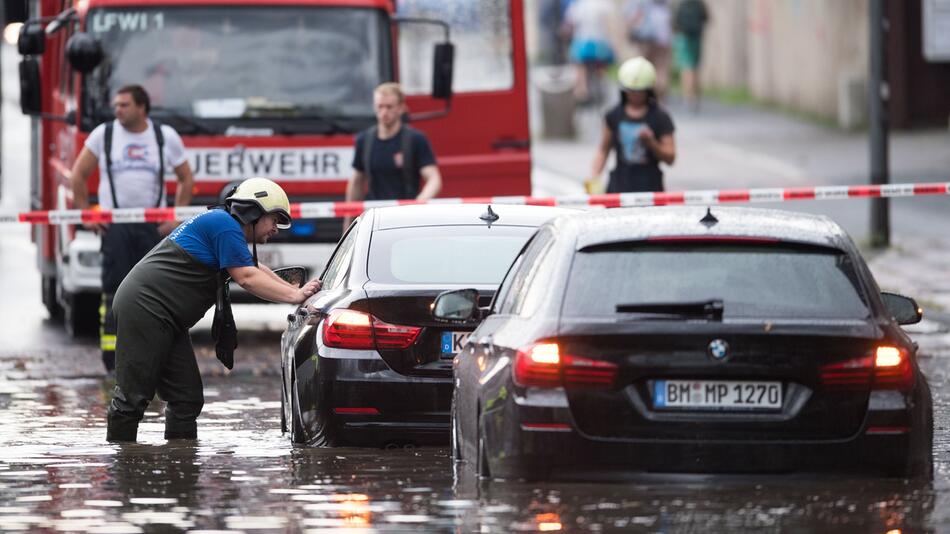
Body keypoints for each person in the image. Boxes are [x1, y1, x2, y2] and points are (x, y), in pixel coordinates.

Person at [105, 177, 321, 442]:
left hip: (165, 317)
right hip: (145, 308)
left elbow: (255, 269)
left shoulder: (224, 225)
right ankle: (120, 467)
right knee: (132, 398)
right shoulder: (223, 225)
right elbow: (247, 278)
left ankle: (179, 471)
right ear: (253, 212)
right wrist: (294, 294)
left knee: (186, 399)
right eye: (274, 220)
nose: (276, 228)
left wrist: (298, 293)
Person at [70, 84, 195, 376]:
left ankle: (154, 356)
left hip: (152, 228)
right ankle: (113, 361)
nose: (118, 110)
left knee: (156, 293)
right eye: (116, 105)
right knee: (114, 293)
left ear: (141, 107)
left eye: (124, 105)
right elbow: (78, 175)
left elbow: (186, 179)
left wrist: (175, 218)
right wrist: (87, 215)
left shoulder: (164, 137)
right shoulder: (105, 134)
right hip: (116, 228)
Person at [343, 82, 441, 227]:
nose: (384, 112)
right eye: (380, 107)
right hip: (374, 218)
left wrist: (419, 202)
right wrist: (348, 221)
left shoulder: (415, 139)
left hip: (406, 216)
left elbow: (434, 178)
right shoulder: (364, 140)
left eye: (389, 107)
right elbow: (357, 182)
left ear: (401, 108)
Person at [586, 57, 676, 193]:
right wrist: (593, 178)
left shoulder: (660, 117)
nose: (635, 95)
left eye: (640, 91)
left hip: (650, 188)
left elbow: (670, 157)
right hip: (619, 187)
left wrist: (652, 143)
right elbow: (603, 150)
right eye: (631, 91)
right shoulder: (613, 115)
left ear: (648, 90)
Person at [562, 0, 614, 104]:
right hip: (600, 42)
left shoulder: (579, 5)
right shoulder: (604, 4)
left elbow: (570, 24)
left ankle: (581, 91)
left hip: (583, 42)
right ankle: (602, 87)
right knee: (601, 66)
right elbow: (608, 24)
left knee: (580, 67)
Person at [625, 0, 673, 101]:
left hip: (647, 38)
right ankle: (660, 95)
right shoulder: (664, 4)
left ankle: (647, 94)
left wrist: (629, 31)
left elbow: (633, 15)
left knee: (644, 66)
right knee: (661, 68)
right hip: (664, 38)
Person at [673, 0, 709, 111]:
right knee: (695, 67)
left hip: (684, 38)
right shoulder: (699, 3)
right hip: (696, 37)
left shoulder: (681, 4)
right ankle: (696, 97)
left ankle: (688, 97)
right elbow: (706, 18)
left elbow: (675, 21)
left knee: (686, 67)